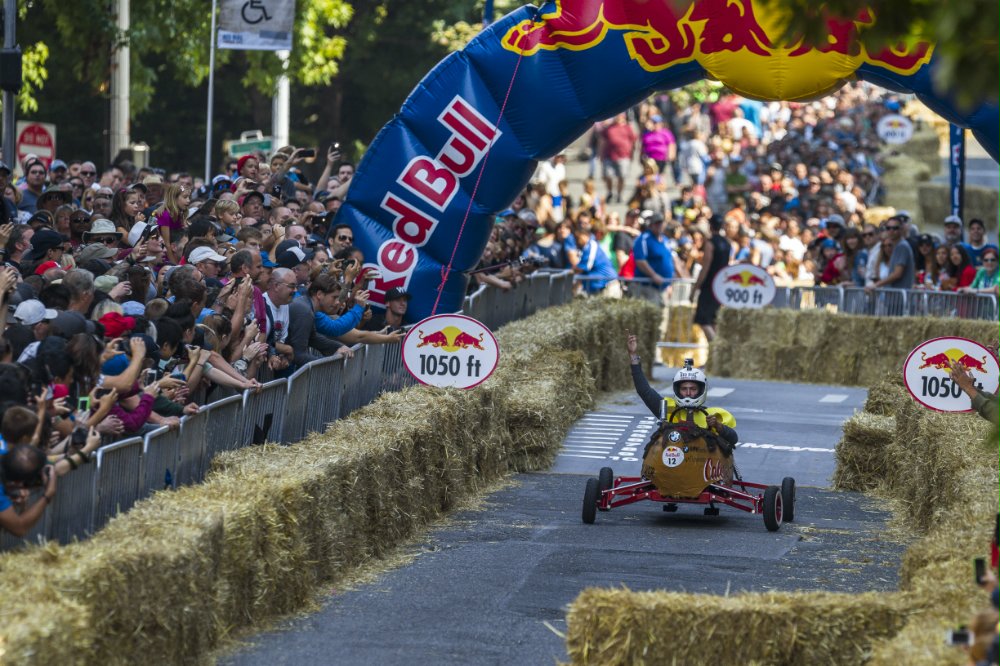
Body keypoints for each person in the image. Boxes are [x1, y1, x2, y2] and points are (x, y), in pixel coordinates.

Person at [626, 330, 737, 448]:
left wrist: (718, 426)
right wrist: (633, 356)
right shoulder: (667, 409)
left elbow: (734, 439)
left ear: (701, 390)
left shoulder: (714, 415)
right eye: (684, 388)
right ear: (677, 390)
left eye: (693, 388)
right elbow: (644, 391)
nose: (688, 393)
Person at [692, 214, 730, 342]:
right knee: (713, 320)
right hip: (720, 285)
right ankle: (716, 353)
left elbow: (705, 266)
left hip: (709, 286)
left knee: (702, 319)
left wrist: (696, 287)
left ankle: (716, 347)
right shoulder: (727, 243)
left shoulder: (711, 243)